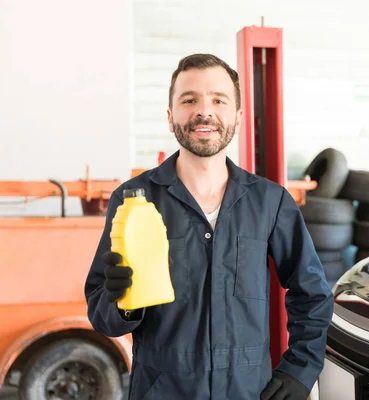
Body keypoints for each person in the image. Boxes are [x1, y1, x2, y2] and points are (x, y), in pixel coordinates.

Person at [84, 53, 334, 400]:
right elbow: (101, 316)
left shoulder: (270, 202)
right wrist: (124, 303)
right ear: (171, 118)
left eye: (219, 100)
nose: (205, 111)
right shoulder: (132, 200)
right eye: (190, 100)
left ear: (238, 117)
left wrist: (300, 370)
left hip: (248, 392)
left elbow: (313, 294)